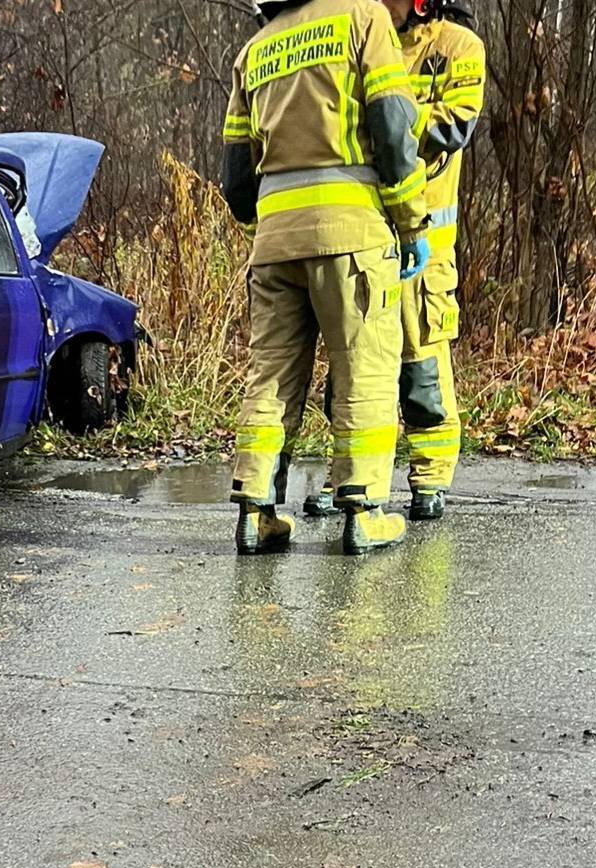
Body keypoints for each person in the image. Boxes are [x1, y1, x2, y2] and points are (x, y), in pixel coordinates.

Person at [223, 0, 430, 557]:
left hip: (273, 246)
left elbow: (237, 180)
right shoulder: (363, 18)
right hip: (352, 237)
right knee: (365, 369)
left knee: (270, 377)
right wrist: (412, 224)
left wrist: (273, 225)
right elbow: (392, 131)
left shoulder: (255, 49)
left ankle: (257, 511)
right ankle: (364, 511)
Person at [305, 0, 485, 522]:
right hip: (362, 225)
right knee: (355, 359)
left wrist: (389, 112)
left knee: (421, 354)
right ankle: (350, 477)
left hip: (426, 230)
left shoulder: (459, 48)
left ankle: (430, 476)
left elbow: (452, 127)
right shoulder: (360, 35)